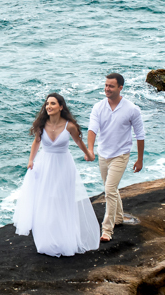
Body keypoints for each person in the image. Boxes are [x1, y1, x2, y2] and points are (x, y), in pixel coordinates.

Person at [12, 93, 101, 256]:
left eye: (52, 104)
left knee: (61, 200)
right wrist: (31, 160)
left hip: (63, 166)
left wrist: (88, 153)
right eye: (47, 104)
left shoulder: (70, 126)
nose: (49, 106)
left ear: (61, 107)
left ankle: (64, 240)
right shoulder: (42, 124)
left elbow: (78, 142)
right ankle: (46, 240)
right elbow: (36, 142)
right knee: (45, 201)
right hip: (44, 165)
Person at [86, 73, 146, 242]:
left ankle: (107, 230)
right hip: (103, 154)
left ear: (120, 88)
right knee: (110, 188)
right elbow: (92, 129)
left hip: (120, 155)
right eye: (106, 85)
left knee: (109, 190)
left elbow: (140, 135)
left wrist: (140, 159)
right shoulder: (98, 107)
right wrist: (90, 149)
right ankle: (119, 217)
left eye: (111, 86)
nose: (107, 89)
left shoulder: (132, 109)